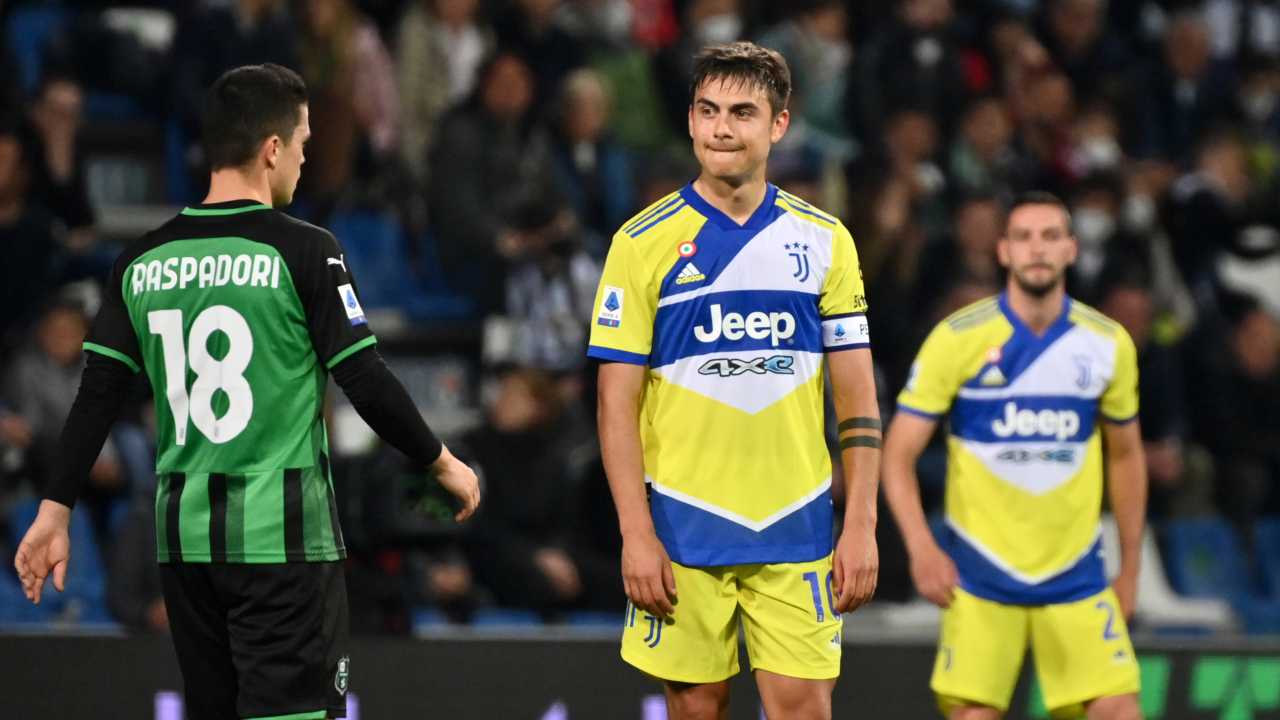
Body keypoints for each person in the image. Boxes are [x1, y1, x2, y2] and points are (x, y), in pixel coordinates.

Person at [12, 64, 479, 720]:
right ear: (271, 149)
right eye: (304, 142)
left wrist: (55, 509)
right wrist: (441, 461)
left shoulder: (141, 261)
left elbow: (97, 396)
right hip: (280, 545)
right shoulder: (305, 252)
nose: (306, 157)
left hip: (184, 547)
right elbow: (365, 379)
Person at [588, 42, 880, 720]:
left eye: (743, 112)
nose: (723, 127)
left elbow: (859, 400)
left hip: (797, 523)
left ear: (778, 126)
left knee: (804, 709)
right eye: (709, 110)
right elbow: (615, 404)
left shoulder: (827, 241)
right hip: (684, 526)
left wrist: (861, 524)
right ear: (690, 121)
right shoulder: (640, 242)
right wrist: (636, 533)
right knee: (695, 711)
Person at [882, 192, 1146, 720]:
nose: (1037, 249)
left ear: (1071, 249)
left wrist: (1131, 568)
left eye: (1051, 236)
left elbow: (1126, 457)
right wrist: (922, 549)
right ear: (1003, 251)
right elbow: (898, 455)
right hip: (979, 576)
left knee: (1118, 709)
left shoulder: (1107, 344)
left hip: (1077, 576)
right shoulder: (956, 340)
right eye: (1024, 237)